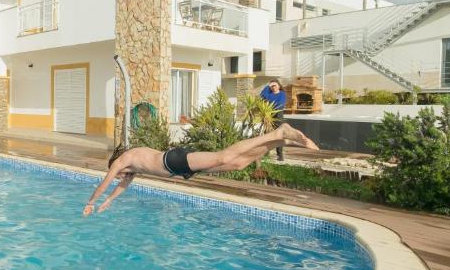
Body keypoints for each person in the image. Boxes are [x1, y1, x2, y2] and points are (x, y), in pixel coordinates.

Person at [82, 123, 318, 215]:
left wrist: (91, 201)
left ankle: (277, 132)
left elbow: (107, 180)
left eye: (120, 173)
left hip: (173, 161)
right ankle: (278, 142)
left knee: (223, 156)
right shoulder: (130, 167)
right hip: (179, 169)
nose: (122, 176)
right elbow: (121, 185)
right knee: (238, 163)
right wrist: (110, 200)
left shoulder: (121, 161)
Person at [259, 78, 287, 160]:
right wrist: (268, 86)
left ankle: (280, 155)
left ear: (279, 86)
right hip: (268, 115)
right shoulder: (269, 94)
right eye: (272, 86)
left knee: (279, 135)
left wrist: (270, 103)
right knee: (267, 134)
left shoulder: (282, 94)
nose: (273, 87)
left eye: (275, 85)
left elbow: (280, 104)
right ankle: (266, 153)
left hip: (278, 115)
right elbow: (262, 94)